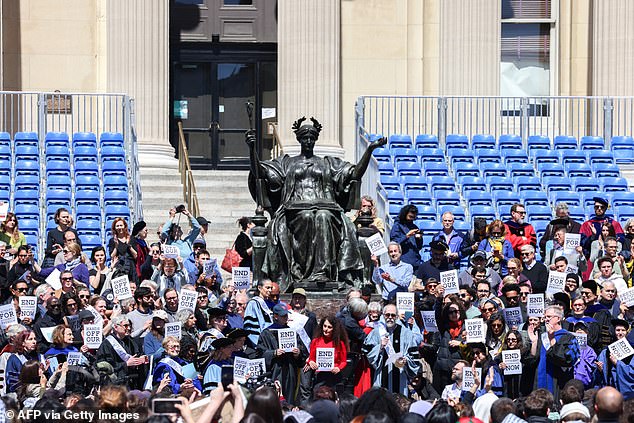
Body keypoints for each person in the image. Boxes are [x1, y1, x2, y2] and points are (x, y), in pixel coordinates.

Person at [246, 118, 385, 289]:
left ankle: (323, 273)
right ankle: (300, 273)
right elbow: (259, 172)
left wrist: (369, 150)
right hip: (294, 210)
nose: (309, 141)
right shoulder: (286, 162)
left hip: (326, 208)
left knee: (323, 217)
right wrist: (252, 149)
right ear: (299, 139)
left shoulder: (327, 163)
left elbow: (355, 173)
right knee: (306, 216)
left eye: (312, 138)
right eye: (305, 138)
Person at [256, 303, 309, 405]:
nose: (286, 318)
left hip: (290, 371)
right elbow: (260, 353)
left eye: (286, 315)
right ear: (275, 316)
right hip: (274, 370)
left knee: (289, 399)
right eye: (283, 315)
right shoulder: (266, 333)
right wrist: (273, 353)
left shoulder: (291, 332)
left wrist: (298, 353)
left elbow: (302, 352)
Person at [363, 303, 421, 395]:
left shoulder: (406, 333)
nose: (390, 317)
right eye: (387, 315)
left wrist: (406, 360)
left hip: (400, 377)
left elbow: (413, 355)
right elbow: (366, 351)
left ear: (397, 317)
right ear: (383, 315)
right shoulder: (376, 332)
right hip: (381, 374)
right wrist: (380, 347)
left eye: (393, 315)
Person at [535, 305, 580, 400]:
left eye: (548, 317)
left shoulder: (569, 338)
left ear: (558, 318)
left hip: (558, 385)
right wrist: (534, 341)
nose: (546, 320)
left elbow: (567, 361)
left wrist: (552, 341)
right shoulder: (541, 337)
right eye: (544, 317)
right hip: (540, 383)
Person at [301, 315, 348, 404]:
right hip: (320, 376)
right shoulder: (316, 341)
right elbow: (312, 357)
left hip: (334, 376)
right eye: (324, 326)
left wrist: (339, 368)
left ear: (334, 329)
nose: (326, 329)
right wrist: (310, 362)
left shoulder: (339, 343)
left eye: (329, 327)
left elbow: (343, 361)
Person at [95, 315, 149, 389]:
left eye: (129, 326)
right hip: (116, 384)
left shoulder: (130, 341)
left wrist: (141, 358)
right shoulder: (107, 344)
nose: (129, 328)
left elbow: (137, 354)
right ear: (116, 327)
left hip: (132, 382)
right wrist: (126, 364)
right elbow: (105, 366)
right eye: (125, 326)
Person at [390, 204, 424, 272]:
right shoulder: (397, 226)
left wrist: (419, 238)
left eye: (413, 217)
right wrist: (407, 236)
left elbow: (419, 247)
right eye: (410, 216)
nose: (412, 219)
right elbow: (394, 243)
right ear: (405, 214)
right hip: (403, 262)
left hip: (415, 262)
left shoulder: (414, 227)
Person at [243, 279, 274, 347]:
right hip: (258, 344)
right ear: (259, 288)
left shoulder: (267, 304)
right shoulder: (253, 303)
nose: (270, 290)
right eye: (267, 287)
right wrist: (258, 344)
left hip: (267, 342)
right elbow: (250, 327)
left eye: (271, 288)